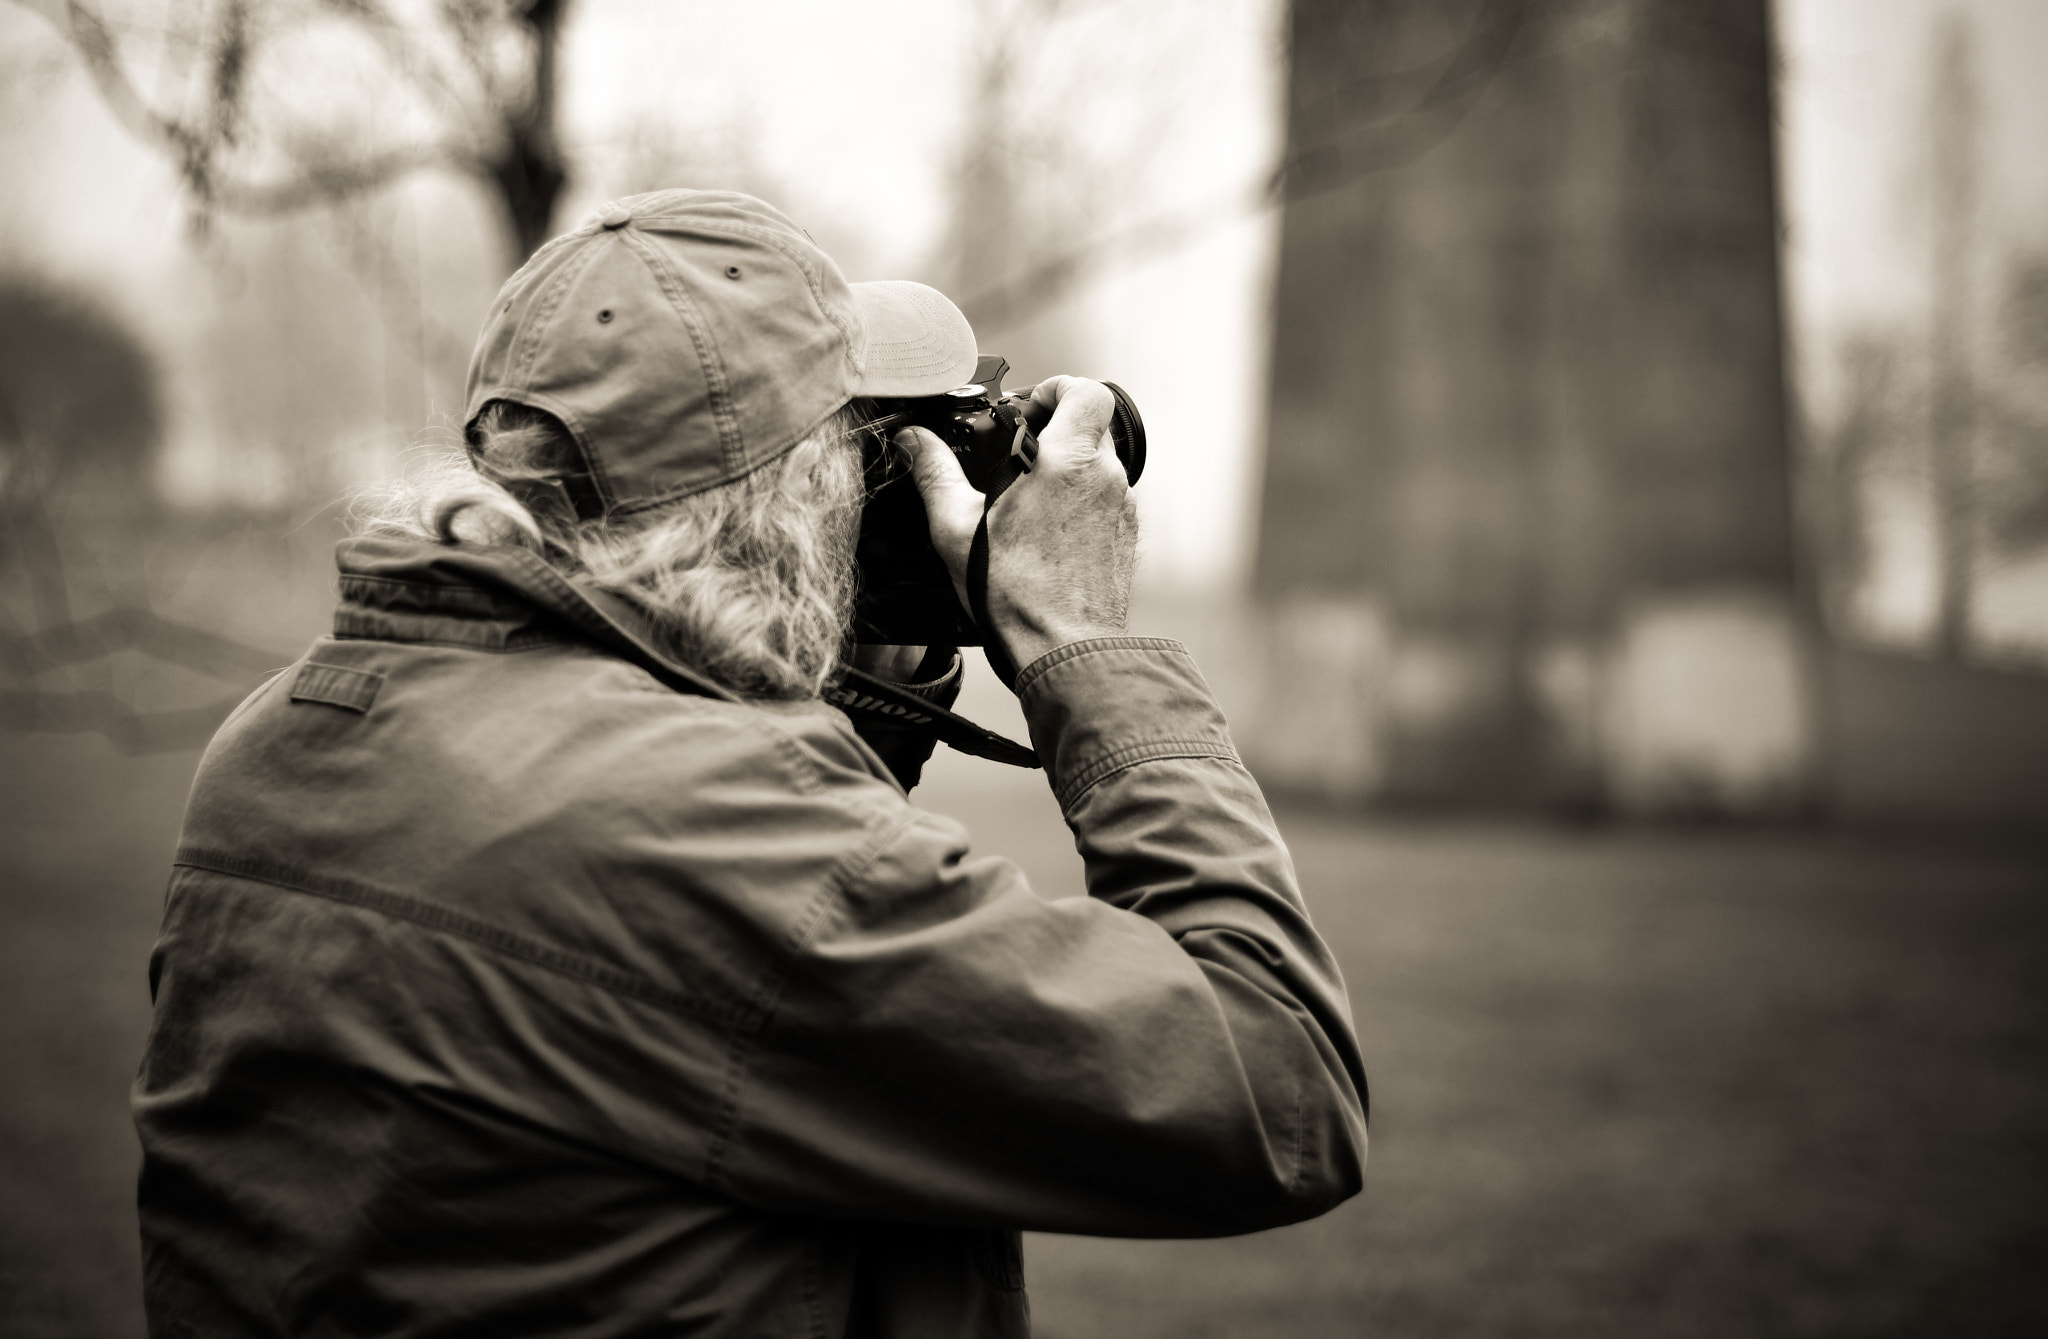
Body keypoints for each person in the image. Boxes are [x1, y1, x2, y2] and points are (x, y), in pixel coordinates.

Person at [132, 189, 1366, 1339]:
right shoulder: (713, 832)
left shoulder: (282, 734)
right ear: (786, 500)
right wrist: (1076, 638)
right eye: (852, 451)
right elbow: (1278, 1086)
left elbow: (735, 1001)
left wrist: (864, 655)